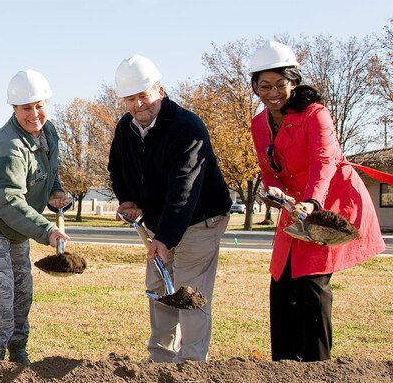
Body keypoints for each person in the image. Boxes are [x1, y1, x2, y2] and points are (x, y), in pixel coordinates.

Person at [247, 40, 386, 361]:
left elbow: (324, 163)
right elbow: (268, 170)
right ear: (255, 86)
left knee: (310, 284)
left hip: (329, 204)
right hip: (293, 208)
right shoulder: (259, 124)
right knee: (281, 282)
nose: (272, 92)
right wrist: (273, 191)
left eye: (280, 84)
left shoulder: (315, 115)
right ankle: (283, 366)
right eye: (263, 85)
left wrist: (311, 202)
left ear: (293, 81)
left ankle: (317, 368)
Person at [108, 55, 232, 363]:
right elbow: (117, 170)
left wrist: (163, 239)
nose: (139, 104)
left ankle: (190, 366)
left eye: (144, 95)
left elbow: (185, 191)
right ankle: (160, 361)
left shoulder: (187, 128)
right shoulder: (126, 128)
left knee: (190, 292)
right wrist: (127, 199)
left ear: (160, 91)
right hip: (162, 221)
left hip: (201, 218)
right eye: (131, 99)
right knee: (160, 289)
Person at [0, 70, 70, 364]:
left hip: (12, 225)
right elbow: (8, 200)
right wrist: (47, 230)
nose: (34, 113)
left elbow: (48, 168)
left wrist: (54, 189)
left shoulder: (49, 132)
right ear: (14, 109)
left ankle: (18, 353)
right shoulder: (10, 148)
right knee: (1, 296)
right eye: (26, 108)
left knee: (22, 291)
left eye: (39, 105)